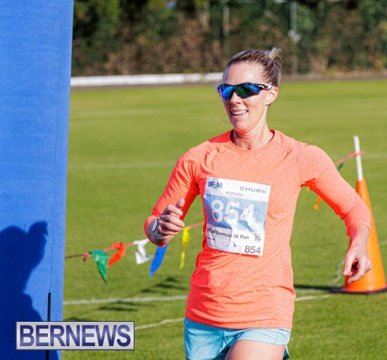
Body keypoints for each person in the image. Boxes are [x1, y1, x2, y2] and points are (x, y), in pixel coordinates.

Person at [144, 48, 372, 360]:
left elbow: (354, 208)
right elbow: (155, 223)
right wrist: (160, 230)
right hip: (204, 314)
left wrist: (358, 244)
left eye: (246, 89)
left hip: (266, 310)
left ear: (271, 94)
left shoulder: (300, 157)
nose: (234, 99)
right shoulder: (198, 158)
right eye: (226, 90)